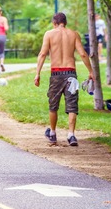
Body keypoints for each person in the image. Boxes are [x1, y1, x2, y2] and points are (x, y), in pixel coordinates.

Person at [34, 12, 94, 146]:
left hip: (56, 74)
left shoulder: (49, 34)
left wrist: (37, 73)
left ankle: (53, 133)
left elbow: (43, 53)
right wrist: (91, 71)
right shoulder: (74, 34)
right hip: (71, 74)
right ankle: (71, 135)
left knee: (53, 105)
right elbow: (83, 54)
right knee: (72, 105)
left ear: (54, 23)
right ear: (65, 22)